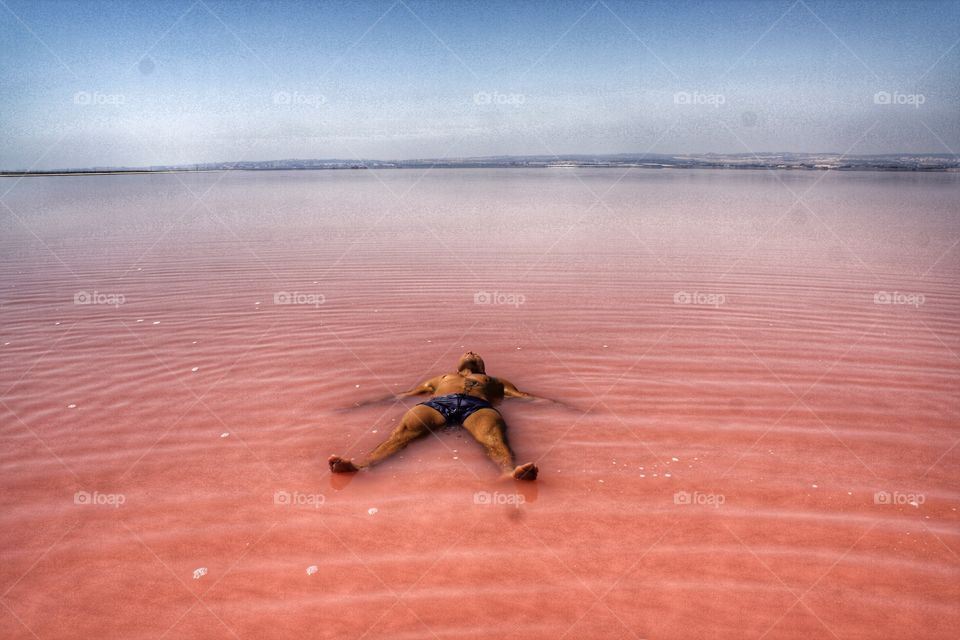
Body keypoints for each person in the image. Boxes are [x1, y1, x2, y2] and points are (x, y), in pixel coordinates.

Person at [328, 351, 540, 480]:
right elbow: (405, 395)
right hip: (438, 403)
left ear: (484, 367)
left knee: (494, 438)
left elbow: (523, 397)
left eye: (475, 354)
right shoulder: (441, 378)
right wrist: (361, 405)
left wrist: (563, 406)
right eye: (466, 353)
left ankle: (508, 472)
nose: (471, 351)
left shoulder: (496, 381)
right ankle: (363, 467)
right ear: (456, 367)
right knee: (401, 434)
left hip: (477, 406)